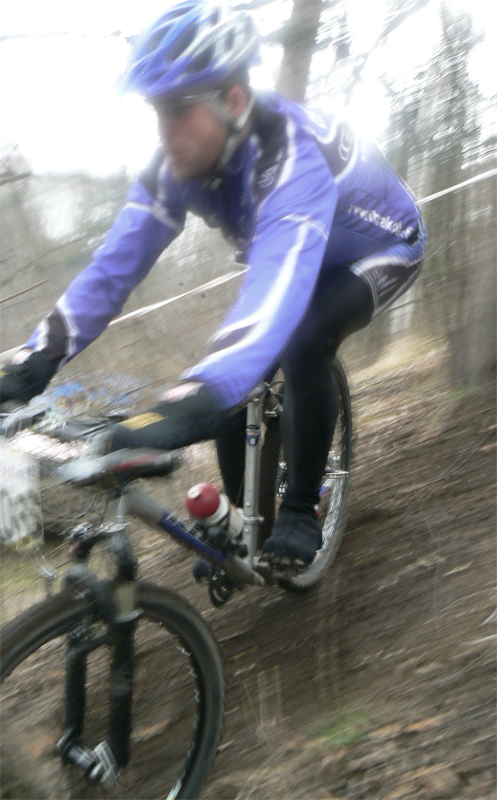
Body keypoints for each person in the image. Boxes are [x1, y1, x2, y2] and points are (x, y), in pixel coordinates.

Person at [0, 1, 426, 570]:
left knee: (303, 340)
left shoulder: (292, 157)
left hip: (382, 247)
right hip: (298, 252)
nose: (164, 131)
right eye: (157, 112)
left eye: (177, 110)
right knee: (234, 377)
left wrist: (187, 406)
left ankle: (300, 511)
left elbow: (271, 305)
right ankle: (240, 521)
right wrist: (34, 361)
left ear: (233, 101)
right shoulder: (176, 163)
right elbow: (111, 270)